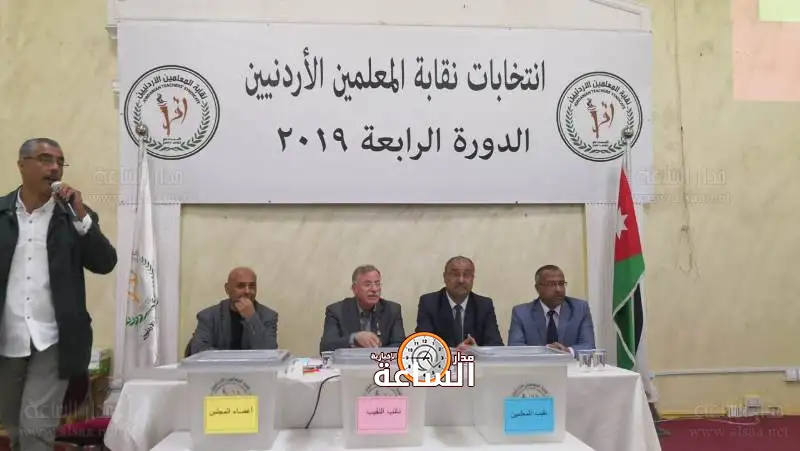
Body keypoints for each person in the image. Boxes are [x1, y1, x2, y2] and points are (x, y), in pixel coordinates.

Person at [0, 138, 117, 451]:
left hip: (53, 340)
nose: (54, 168)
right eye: (45, 159)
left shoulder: (72, 216)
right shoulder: (1, 213)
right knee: (14, 430)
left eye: (60, 162)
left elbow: (105, 263)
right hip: (7, 338)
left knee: (36, 430)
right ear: (21, 165)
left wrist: (81, 217)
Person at [415, 256, 503, 349]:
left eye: (466, 275)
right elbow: (424, 344)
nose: (461, 280)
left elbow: (496, 345)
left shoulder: (484, 305)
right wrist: (455, 352)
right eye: (455, 274)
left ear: (472, 278)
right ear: (445, 277)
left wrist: (477, 350)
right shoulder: (429, 303)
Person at [188, 267, 278, 355]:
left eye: (252, 286)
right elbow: (198, 351)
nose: (247, 291)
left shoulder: (268, 316)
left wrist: (252, 318)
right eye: (241, 286)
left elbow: (270, 353)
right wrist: (236, 360)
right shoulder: (208, 316)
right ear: (227, 289)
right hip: (221, 365)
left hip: (254, 366)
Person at [507, 265, 595, 354]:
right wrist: (545, 351)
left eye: (561, 283)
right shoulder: (521, 313)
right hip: (536, 362)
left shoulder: (580, 309)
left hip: (570, 362)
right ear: (537, 288)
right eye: (551, 284)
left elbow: (589, 345)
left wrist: (568, 351)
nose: (558, 289)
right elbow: (515, 347)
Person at [319, 264, 406, 353]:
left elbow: (400, 345)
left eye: (377, 284)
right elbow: (326, 347)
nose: (374, 289)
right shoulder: (336, 311)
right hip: (350, 361)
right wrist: (354, 339)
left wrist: (376, 355)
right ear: (354, 289)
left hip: (380, 361)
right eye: (367, 284)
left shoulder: (392, 310)